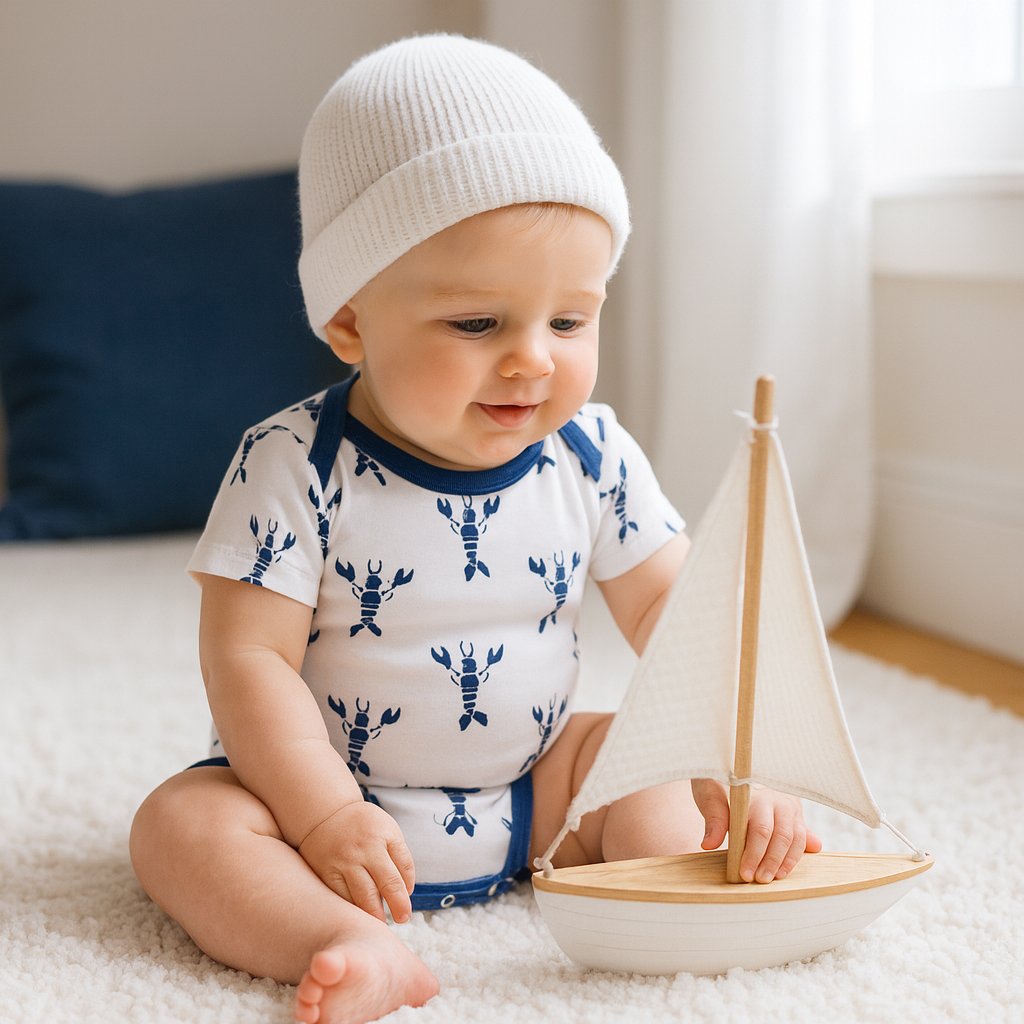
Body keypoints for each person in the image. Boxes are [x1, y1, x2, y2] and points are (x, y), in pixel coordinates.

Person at [129, 34, 821, 1024]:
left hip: (534, 790)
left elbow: (678, 608)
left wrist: (734, 759)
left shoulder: (591, 453)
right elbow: (251, 661)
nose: (532, 362)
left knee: (640, 756)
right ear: (350, 323)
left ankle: (673, 889)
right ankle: (342, 939)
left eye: (569, 321)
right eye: (476, 324)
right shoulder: (293, 463)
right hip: (317, 802)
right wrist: (325, 813)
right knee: (180, 826)